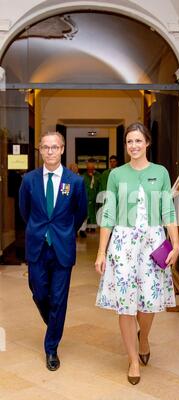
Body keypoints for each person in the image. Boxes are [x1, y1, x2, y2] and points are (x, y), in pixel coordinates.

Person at [95, 122, 179, 385]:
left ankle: (144, 338)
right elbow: (108, 213)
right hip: (122, 245)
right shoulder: (117, 174)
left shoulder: (161, 172)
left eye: (138, 141)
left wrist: (175, 244)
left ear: (147, 143)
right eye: (129, 142)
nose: (133, 146)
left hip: (154, 243)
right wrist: (101, 252)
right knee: (126, 304)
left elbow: (168, 209)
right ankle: (133, 359)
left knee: (149, 301)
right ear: (125, 146)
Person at [19, 132, 87, 371]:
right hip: (37, 245)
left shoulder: (75, 182)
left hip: (62, 248)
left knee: (58, 299)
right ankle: (54, 322)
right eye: (45, 147)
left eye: (54, 147)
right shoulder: (29, 180)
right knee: (38, 292)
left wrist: (66, 231)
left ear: (62, 149)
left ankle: (51, 348)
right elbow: (25, 211)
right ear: (40, 150)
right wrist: (39, 230)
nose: (50, 151)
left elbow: (80, 213)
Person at [68, 163, 87, 237]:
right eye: (72, 168)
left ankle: (81, 230)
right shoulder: (66, 179)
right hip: (70, 203)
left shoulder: (81, 179)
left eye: (75, 168)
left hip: (79, 201)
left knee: (81, 215)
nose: (74, 169)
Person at [83, 158, 102, 233]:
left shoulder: (98, 175)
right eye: (89, 169)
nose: (90, 170)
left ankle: (93, 226)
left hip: (95, 196)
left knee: (94, 212)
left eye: (92, 169)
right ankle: (86, 227)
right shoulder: (84, 176)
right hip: (86, 197)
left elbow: (100, 186)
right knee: (87, 212)